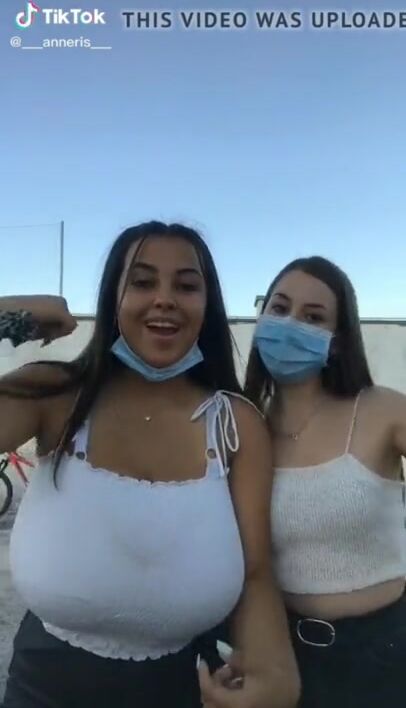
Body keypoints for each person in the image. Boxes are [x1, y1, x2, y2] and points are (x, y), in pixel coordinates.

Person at [0, 222, 299, 708]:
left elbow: (257, 571)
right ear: (113, 298)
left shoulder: (235, 423)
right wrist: (13, 314)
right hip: (44, 688)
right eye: (142, 282)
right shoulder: (53, 394)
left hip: (185, 688)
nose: (164, 299)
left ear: (207, 304)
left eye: (186, 285)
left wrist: (276, 674)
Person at [243, 255, 406, 707]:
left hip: (382, 655)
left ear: (336, 341)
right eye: (279, 308)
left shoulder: (381, 410)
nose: (290, 324)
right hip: (276, 653)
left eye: (313, 317)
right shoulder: (243, 425)